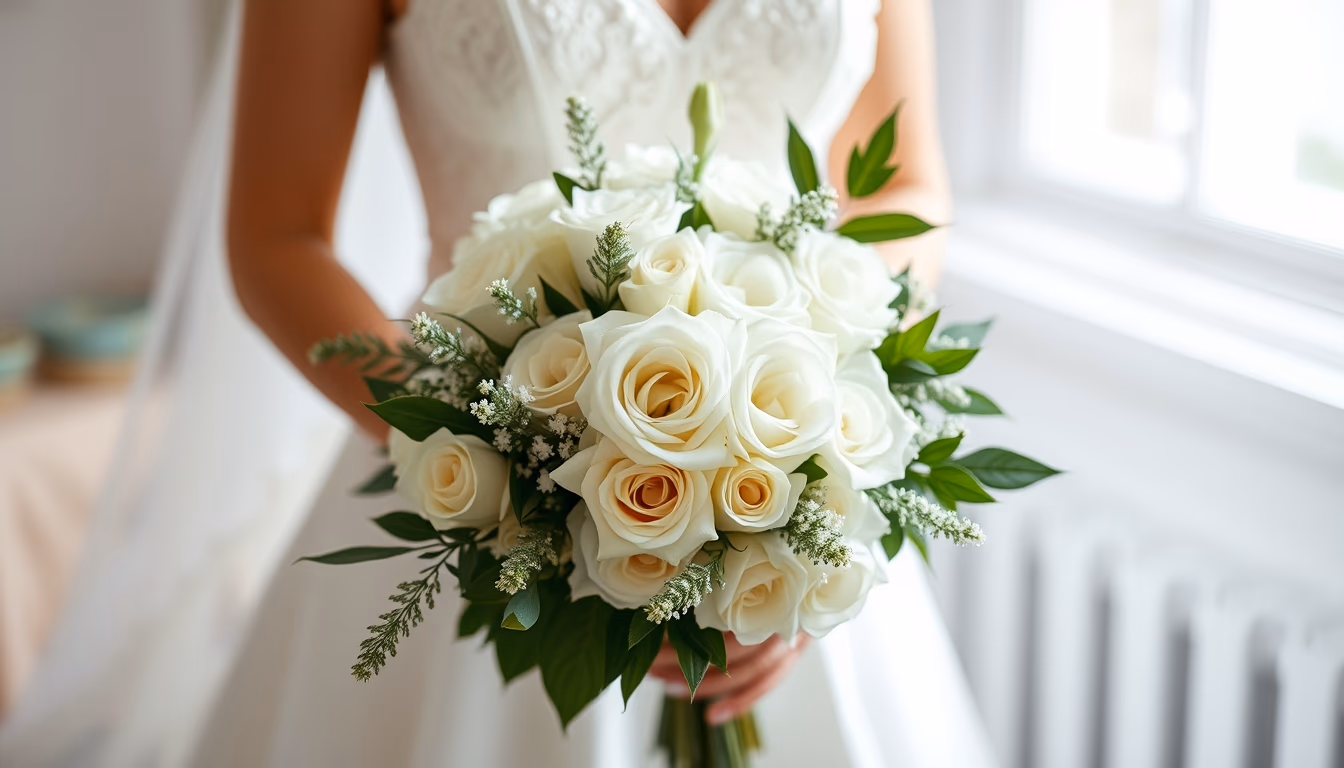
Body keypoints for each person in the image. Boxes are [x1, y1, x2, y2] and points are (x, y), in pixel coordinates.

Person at [4, 1, 994, 766]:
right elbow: (275, 236)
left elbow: (905, 184)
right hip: (475, 507)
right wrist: (502, 465)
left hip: (779, 479)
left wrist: (810, 453)